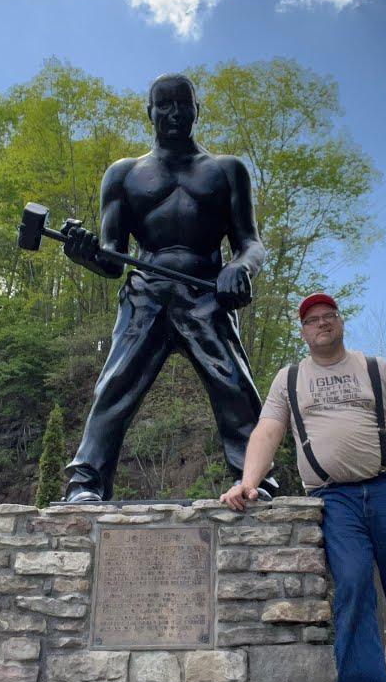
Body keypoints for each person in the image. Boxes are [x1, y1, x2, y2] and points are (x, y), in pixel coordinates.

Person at [220, 292, 386, 682]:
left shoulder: (376, 369)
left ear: (341, 323)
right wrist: (248, 480)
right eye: (313, 320)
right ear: (304, 332)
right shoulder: (289, 378)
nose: (322, 323)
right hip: (334, 499)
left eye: (329, 316)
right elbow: (268, 431)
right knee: (353, 588)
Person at [59, 73, 276, 503]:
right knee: (114, 386)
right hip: (146, 292)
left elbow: (251, 242)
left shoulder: (227, 170)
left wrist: (240, 267)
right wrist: (84, 253)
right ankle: (85, 483)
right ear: (150, 112)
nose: (174, 113)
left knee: (234, 385)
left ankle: (255, 479)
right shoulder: (123, 175)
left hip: (207, 291)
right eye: (164, 104)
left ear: (198, 109)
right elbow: (111, 257)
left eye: (183, 103)